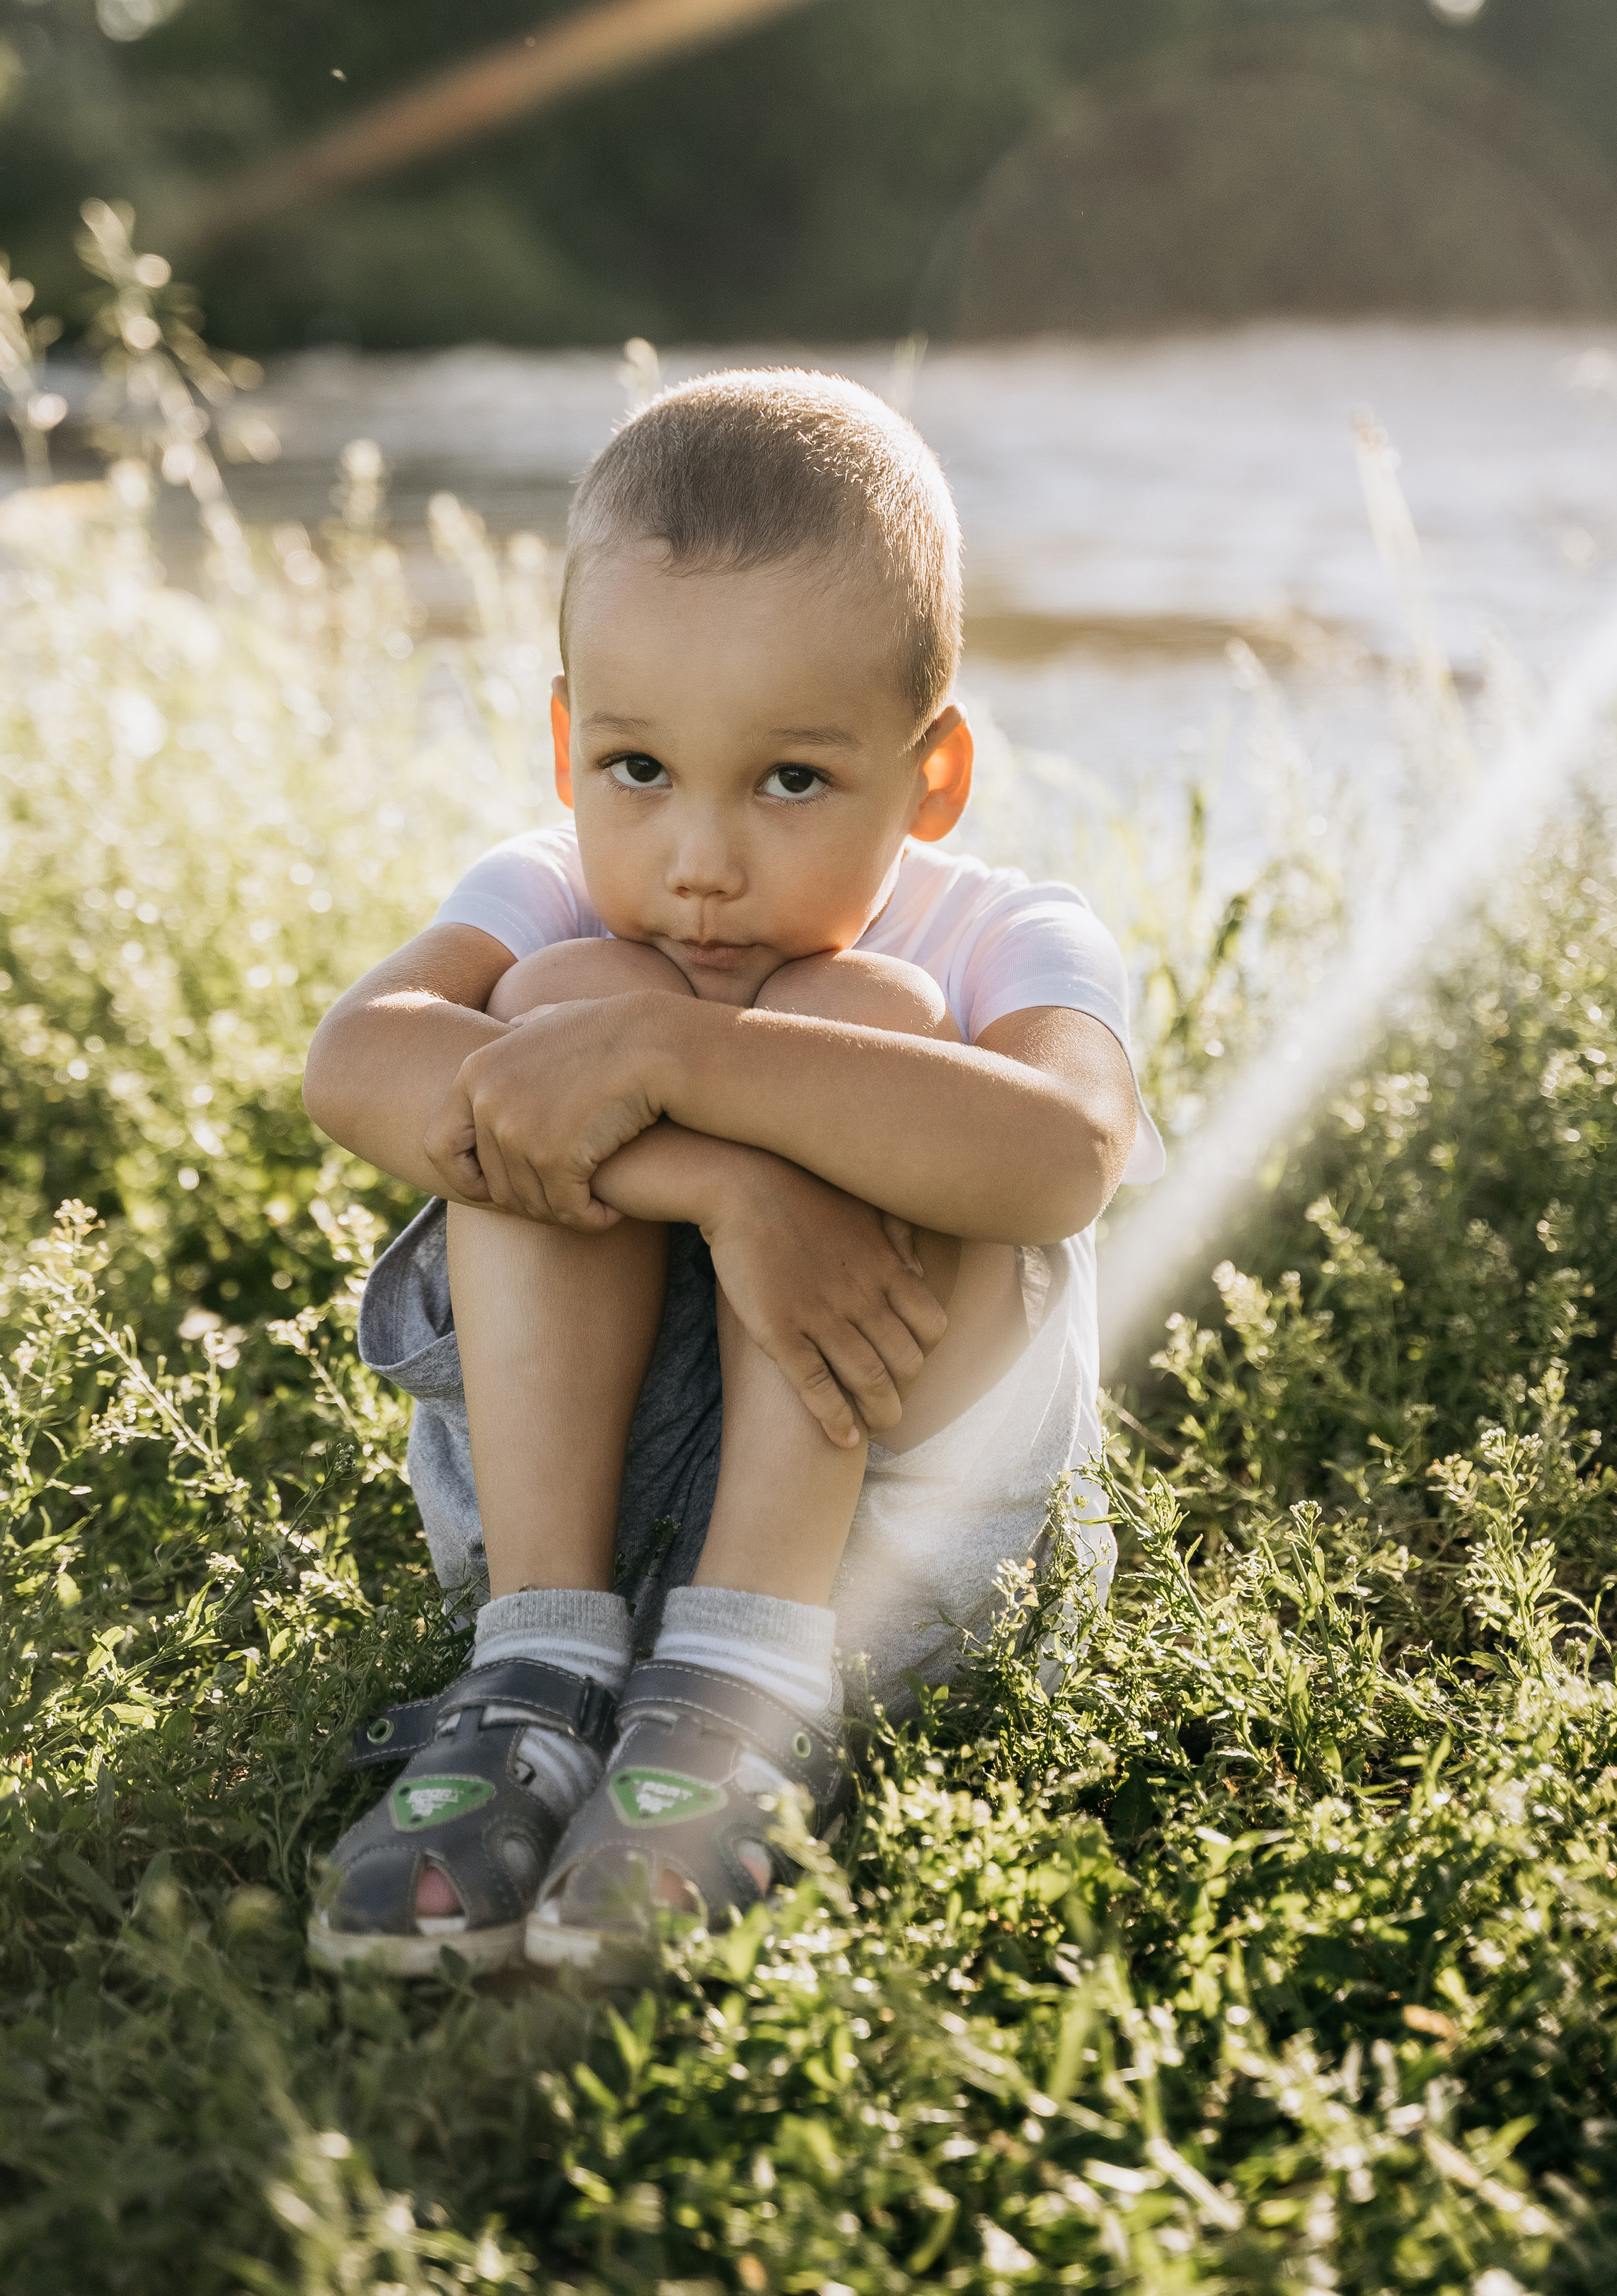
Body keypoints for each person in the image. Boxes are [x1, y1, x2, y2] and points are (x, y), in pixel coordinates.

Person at [300, 367, 1163, 1978]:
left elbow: (1065, 1156)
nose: (699, 859)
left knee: (868, 1025)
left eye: (787, 781)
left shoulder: (1008, 932)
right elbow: (355, 1064)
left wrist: (690, 1068)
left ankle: (741, 1694)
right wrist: (722, 1182)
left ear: (932, 775)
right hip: (574, 1518)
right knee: (558, 1012)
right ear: (566, 742)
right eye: (636, 767)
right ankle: (539, 1676)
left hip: (893, 1565)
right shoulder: (555, 897)